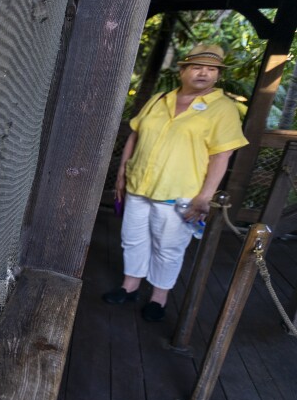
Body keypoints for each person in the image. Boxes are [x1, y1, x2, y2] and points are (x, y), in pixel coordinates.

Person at [104, 43, 249, 322]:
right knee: (132, 239)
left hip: (179, 192)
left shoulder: (223, 109)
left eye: (211, 69)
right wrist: (122, 171)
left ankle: (159, 297)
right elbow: (135, 135)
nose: (204, 73)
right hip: (139, 186)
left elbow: (222, 155)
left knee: (168, 247)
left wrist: (205, 196)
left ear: (218, 75)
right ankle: (130, 286)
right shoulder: (160, 99)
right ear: (182, 70)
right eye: (197, 67)